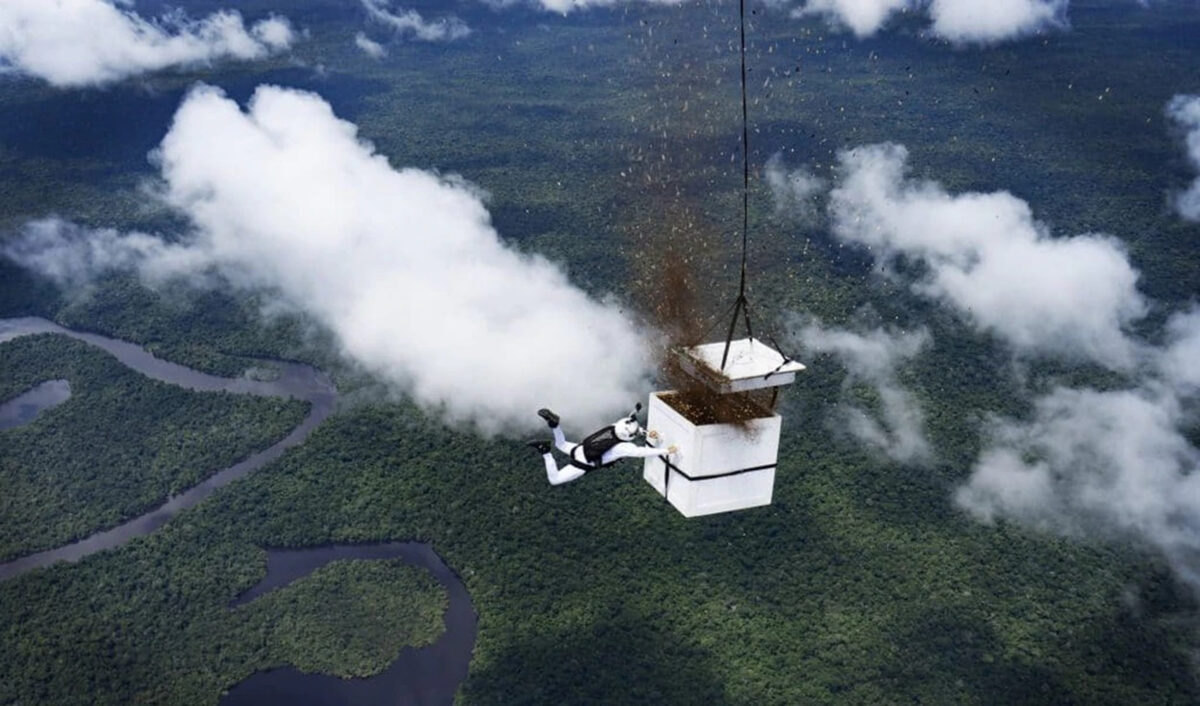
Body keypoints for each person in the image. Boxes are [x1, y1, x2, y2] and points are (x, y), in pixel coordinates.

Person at [528, 406, 677, 486]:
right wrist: (666, 450)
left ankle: (554, 424)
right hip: (584, 462)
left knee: (560, 444)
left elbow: (630, 424)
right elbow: (641, 452)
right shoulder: (623, 448)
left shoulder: (616, 425)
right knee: (555, 480)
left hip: (581, 449)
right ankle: (545, 451)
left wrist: (647, 432)